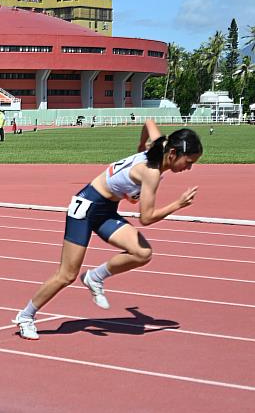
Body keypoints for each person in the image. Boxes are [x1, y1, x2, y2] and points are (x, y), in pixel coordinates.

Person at [12, 120, 203, 340]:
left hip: (106, 210)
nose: (188, 168)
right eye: (188, 162)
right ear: (172, 153)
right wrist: (178, 204)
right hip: (86, 207)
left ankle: (95, 277)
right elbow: (147, 218)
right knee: (67, 275)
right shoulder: (150, 172)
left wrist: (141, 146)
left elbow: (149, 122)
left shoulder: (159, 144)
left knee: (142, 253)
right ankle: (26, 316)